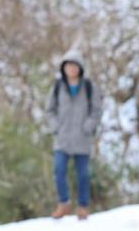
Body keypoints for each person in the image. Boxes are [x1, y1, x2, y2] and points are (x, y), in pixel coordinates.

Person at [45, 51, 103, 220]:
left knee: (83, 174)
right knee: (58, 169)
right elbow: (49, 110)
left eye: (74, 65)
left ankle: (83, 206)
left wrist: (89, 126)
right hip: (62, 138)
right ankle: (63, 203)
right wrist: (55, 126)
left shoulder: (89, 86)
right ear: (63, 68)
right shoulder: (57, 87)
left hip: (82, 138)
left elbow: (96, 110)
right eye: (68, 65)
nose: (71, 69)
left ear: (80, 68)